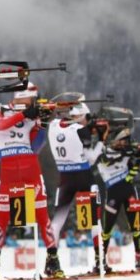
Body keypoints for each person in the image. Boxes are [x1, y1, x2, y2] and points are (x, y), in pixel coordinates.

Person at [0, 82, 65, 279]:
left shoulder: (33, 114)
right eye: (29, 98)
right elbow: (0, 125)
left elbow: (36, 145)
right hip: (8, 171)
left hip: (30, 168)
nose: (31, 102)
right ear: (19, 96)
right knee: (2, 220)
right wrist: (25, 114)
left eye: (33, 100)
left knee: (42, 216)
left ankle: (52, 258)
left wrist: (44, 123)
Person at [47, 102, 106, 247]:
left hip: (64, 177)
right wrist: (101, 141)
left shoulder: (53, 126)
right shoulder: (81, 129)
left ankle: (51, 258)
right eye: (86, 117)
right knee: (94, 220)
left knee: (57, 221)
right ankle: (100, 261)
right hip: (84, 176)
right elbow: (91, 158)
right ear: (80, 116)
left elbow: (61, 119)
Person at [95, 127, 140, 272]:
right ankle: (101, 260)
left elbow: (135, 169)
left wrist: (138, 156)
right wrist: (123, 153)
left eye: (125, 142)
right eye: (121, 141)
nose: (124, 144)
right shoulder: (103, 152)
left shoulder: (127, 151)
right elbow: (106, 161)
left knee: (136, 226)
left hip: (128, 190)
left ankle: (139, 256)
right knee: (107, 228)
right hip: (113, 192)